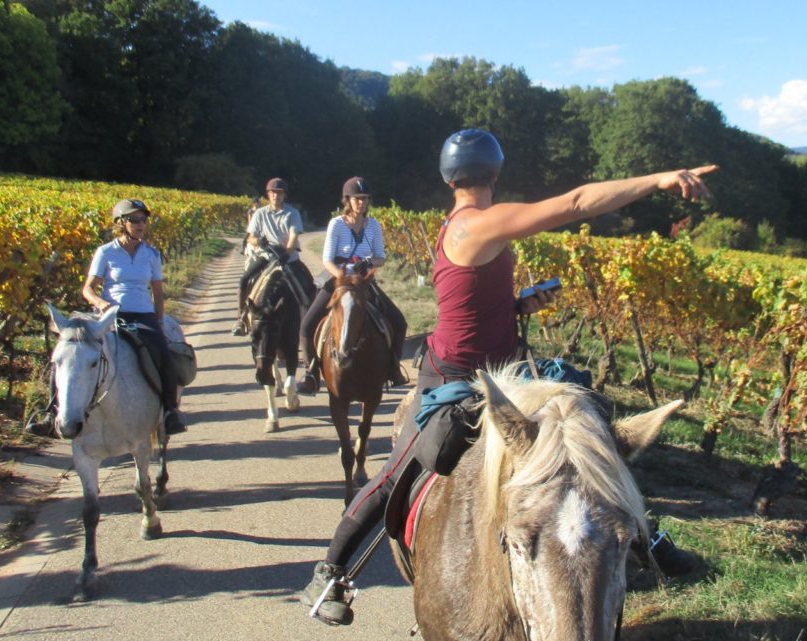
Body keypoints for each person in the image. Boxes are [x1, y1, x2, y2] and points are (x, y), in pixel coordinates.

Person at [300, 129, 716, 625]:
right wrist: (660, 179)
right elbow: (578, 201)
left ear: (448, 176)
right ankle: (331, 571)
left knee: (590, 434)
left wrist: (519, 304)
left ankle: (644, 535)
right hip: (457, 374)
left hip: (508, 366)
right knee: (407, 465)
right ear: (495, 173)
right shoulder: (475, 224)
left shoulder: (464, 224)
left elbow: (475, 298)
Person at [81, 198, 186, 435]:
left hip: (142, 315)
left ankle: (170, 410)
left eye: (144, 220)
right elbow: (87, 289)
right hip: (110, 315)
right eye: (134, 220)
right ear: (121, 223)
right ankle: (53, 410)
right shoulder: (105, 252)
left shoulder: (151, 254)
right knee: (75, 353)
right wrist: (99, 302)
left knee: (164, 356)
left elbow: (158, 293)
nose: (141, 225)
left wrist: (158, 322)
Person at [296, 177, 408, 395]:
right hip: (339, 280)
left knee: (399, 322)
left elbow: (381, 257)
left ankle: (393, 368)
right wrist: (341, 277)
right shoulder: (336, 224)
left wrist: (368, 263)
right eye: (357, 199)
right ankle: (310, 373)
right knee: (307, 325)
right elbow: (327, 259)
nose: (361, 203)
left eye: (365, 199)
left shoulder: (373, 225)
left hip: (364, 281)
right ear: (348, 200)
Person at [231, 178, 316, 336]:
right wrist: (259, 241)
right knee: (244, 280)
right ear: (268, 194)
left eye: (279, 193)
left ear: (284, 195)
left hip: (287, 257)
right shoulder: (259, 213)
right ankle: (241, 319)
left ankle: (309, 322)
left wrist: (287, 253)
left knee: (308, 283)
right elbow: (250, 237)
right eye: (272, 193)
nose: (276, 196)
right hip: (266, 257)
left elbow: (293, 236)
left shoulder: (292, 213)